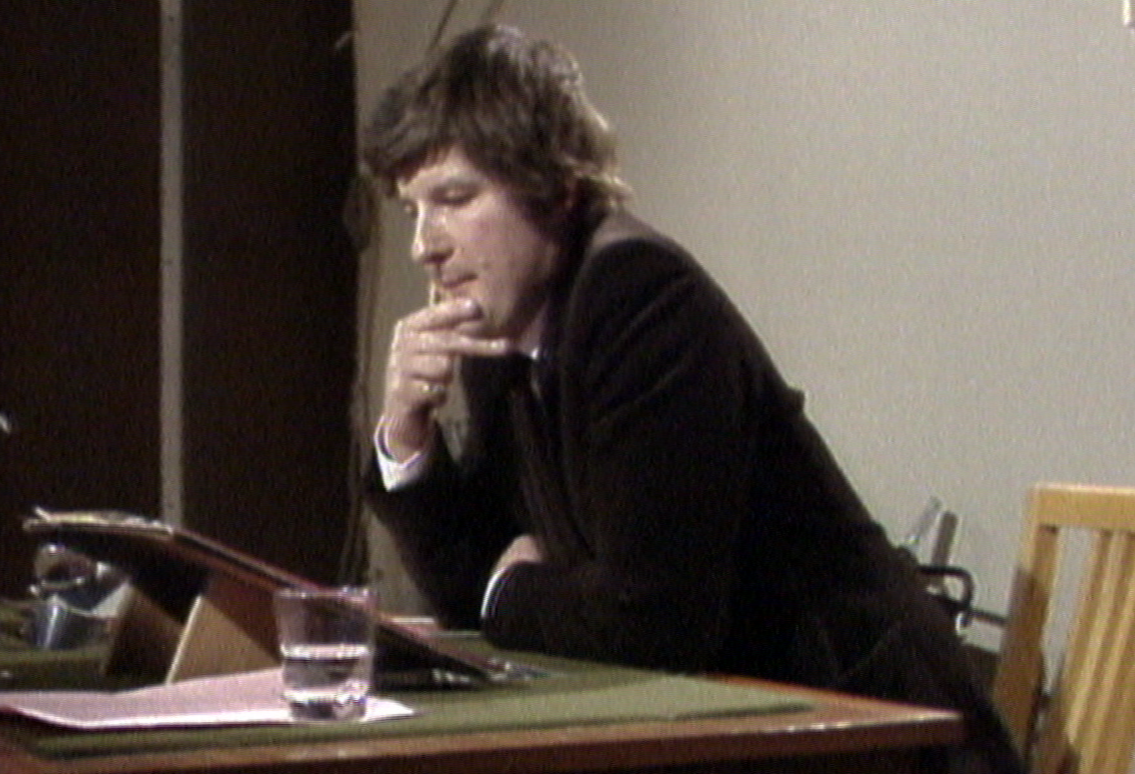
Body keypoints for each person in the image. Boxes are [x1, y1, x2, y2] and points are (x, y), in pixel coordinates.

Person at [361, 24, 1024, 774]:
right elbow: (472, 590)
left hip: (871, 737)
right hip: (730, 732)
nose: (424, 243)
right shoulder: (501, 336)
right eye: (412, 207)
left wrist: (510, 589)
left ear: (554, 186)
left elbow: (651, 623)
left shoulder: (636, 297)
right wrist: (407, 440)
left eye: (453, 198)